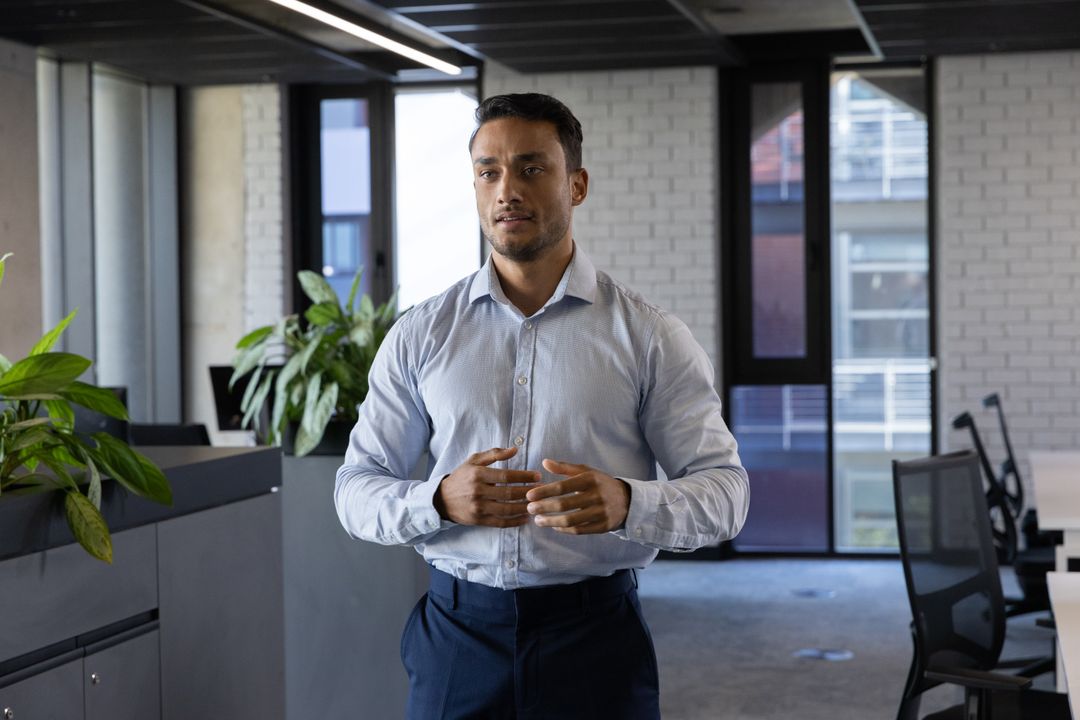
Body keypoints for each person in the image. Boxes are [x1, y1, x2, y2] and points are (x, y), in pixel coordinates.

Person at [335, 92, 749, 720]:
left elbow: (726, 493)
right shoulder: (421, 334)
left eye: (532, 168)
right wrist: (438, 500)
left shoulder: (650, 336)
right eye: (489, 171)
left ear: (576, 184)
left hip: (594, 638)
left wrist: (629, 503)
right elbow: (354, 489)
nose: (507, 189)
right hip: (456, 636)